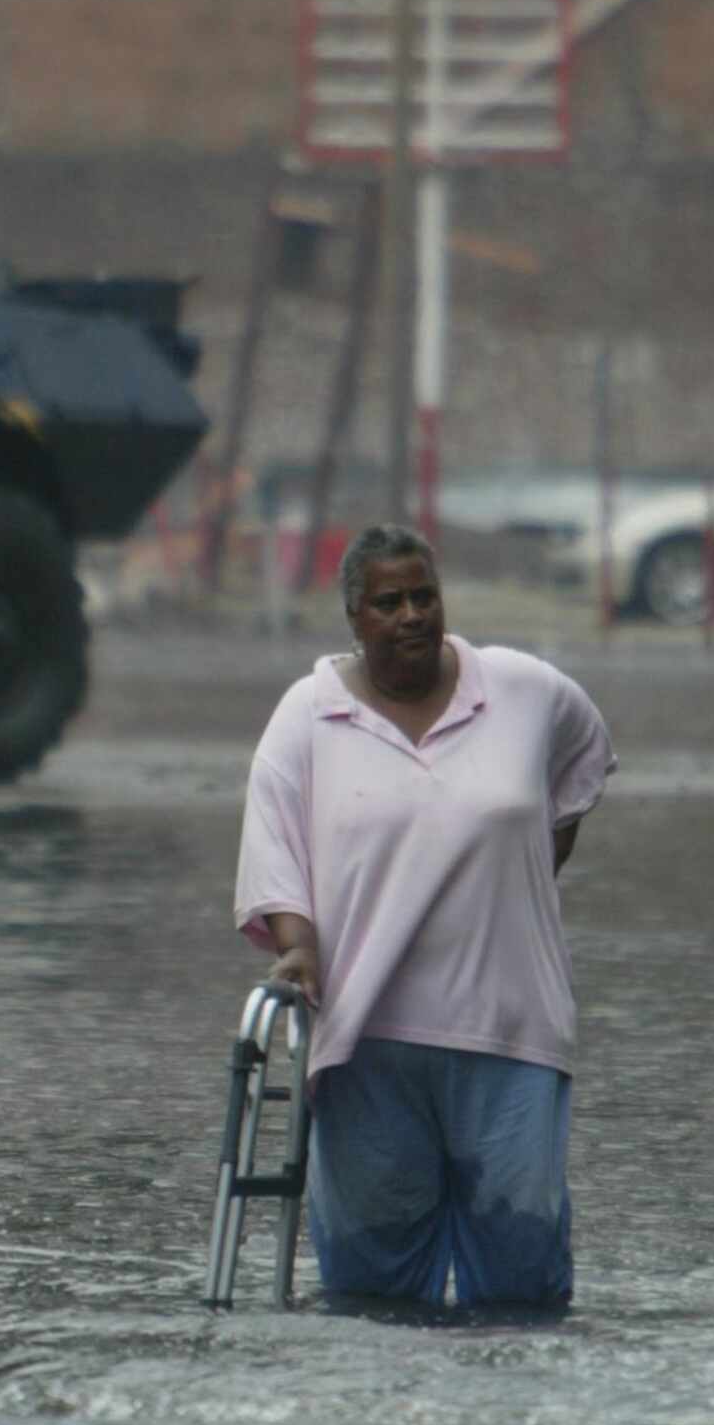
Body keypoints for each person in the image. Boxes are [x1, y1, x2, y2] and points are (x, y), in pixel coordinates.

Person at [233, 523, 615, 1308]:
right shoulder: (308, 715)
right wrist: (298, 947)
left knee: (521, 1284)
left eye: (424, 596)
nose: (411, 614)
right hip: (368, 1038)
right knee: (372, 1290)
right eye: (388, 602)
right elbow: (275, 854)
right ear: (354, 617)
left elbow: (582, 761)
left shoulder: (521, 689)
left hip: (511, 1029)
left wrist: (526, 873)